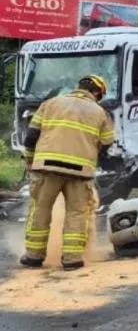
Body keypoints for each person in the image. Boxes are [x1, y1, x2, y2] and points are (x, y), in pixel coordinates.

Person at [20, 75, 115, 271]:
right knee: (77, 214)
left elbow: (31, 137)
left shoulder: (50, 104)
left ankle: (33, 257)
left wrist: (30, 161)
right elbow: (107, 142)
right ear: (96, 92)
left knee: (40, 210)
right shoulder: (100, 112)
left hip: (46, 168)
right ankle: (72, 260)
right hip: (80, 172)